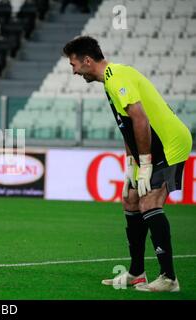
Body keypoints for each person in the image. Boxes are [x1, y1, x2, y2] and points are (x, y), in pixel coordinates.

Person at [62, 36, 192, 292]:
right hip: (152, 146)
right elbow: (128, 129)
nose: (74, 71)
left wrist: (145, 164)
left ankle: (169, 278)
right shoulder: (110, 80)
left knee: (149, 201)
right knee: (131, 199)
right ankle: (136, 273)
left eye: (73, 65)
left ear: (87, 61)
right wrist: (130, 168)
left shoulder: (116, 77)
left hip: (170, 143)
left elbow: (140, 119)